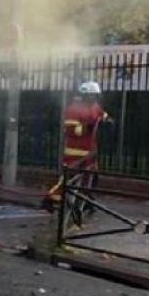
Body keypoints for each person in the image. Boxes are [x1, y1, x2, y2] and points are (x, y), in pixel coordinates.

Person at [45, 81, 109, 209]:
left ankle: (85, 200)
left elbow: (102, 115)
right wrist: (87, 127)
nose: (94, 98)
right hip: (75, 151)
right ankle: (51, 199)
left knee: (89, 177)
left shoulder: (95, 106)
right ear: (85, 95)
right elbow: (71, 130)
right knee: (69, 179)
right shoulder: (73, 109)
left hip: (90, 150)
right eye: (92, 95)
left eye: (95, 95)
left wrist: (108, 120)